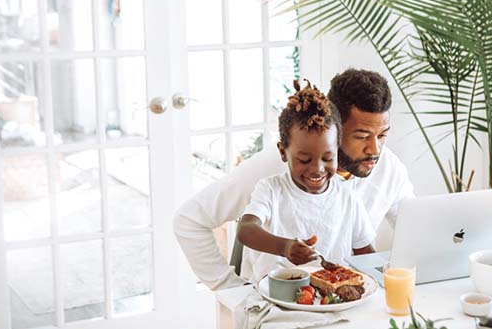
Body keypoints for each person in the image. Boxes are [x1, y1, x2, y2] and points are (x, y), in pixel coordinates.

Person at [173, 68, 414, 290]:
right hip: (272, 297)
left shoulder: (387, 168)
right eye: (362, 136)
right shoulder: (271, 170)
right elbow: (190, 219)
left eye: (382, 135)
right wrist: (232, 290)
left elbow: (414, 230)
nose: (375, 149)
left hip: (337, 301)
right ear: (335, 127)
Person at [237, 80, 375, 282]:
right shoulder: (271, 190)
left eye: (328, 158)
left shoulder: (347, 195)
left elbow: (366, 252)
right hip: (275, 296)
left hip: (331, 300)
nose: (318, 168)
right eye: (304, 160)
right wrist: (284, 247)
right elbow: (245, 230)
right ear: (283, 152)